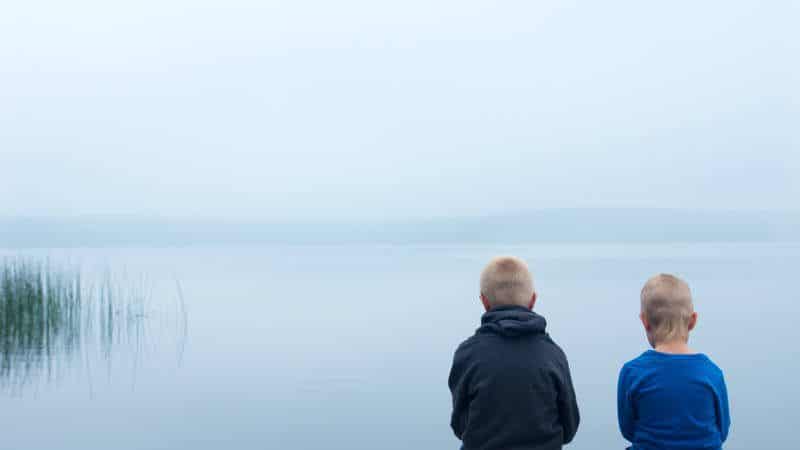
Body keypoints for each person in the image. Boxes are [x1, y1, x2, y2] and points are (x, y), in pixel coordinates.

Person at [448, 256, 580, 450]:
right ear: (533, 300)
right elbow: (569, 428)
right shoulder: (553, 354)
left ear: (484, 302)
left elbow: (461, 426)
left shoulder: (467, 354)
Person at [618, 274, 731, 449]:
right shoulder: (711, 373)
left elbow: (628, 430)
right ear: (693, 321)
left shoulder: (633, 372)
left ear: (645, 321)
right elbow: (722, 431)